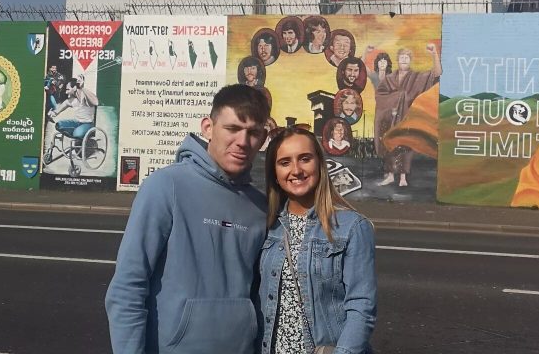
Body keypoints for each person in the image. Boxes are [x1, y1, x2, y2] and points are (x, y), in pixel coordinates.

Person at [105, 85, 271, 354]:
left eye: (253, 133)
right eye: (232, 129)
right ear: (208, 127)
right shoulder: (166, 185)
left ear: (263, 138)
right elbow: (127, 288)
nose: (242, 141)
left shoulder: (259, 207)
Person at [257, 127, 377, 354]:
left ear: (320, 164)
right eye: (284, 162)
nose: (296, 170)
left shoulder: (351, 227)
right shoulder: (266, 226)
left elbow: (361, 307)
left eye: (305, 159)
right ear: (274, 173)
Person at [375, 44, 442, 187]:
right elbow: (380, 94)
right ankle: (391, 175)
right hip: (390, 118)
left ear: (410, 60)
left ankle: (403, 177)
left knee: (405, 145)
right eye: (402, 57)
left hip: (407, 117)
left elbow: (437, 73)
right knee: (390, 144)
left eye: (407, 57)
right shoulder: (389, 78)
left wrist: (434, 54)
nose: (404, 59)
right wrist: (397, 99)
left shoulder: (417, 77)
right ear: (398, 60)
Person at [48, 75, 99, 139]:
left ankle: (78, 136)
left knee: (77, 133)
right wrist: (52, 113)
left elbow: (96, 102)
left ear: (74, 88)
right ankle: (77, 136)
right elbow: (57, 111)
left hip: (87, 124)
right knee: (59, 125)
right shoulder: (71, 101)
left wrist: (81, 88)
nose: (66, 92)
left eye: (68, 89)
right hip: (77, 123)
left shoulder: (85, 97)